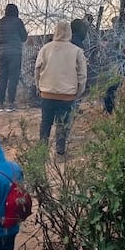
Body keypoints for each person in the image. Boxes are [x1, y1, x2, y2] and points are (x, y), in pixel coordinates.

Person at [34, 20, 87, 156]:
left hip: (47, 93)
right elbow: (82, 75)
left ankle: (41, 152)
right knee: (62, 125)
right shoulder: (77, 51)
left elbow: (37, 70)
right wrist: (77, 93)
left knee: (45, 123)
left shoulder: (45, 48)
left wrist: (39, 87)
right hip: (67, 96)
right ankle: (60, 153)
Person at [0, 3, 28, 111]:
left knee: (3, 77)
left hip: (3, 52)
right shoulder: (18, 22)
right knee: (13, 78)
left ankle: (0, 103)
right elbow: (24, 37)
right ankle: (10, 103)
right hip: (15, 52)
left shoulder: (0, 22)